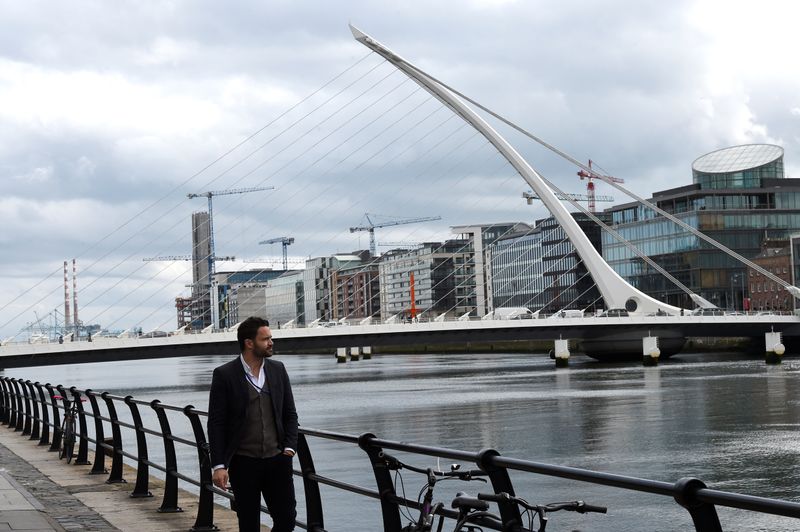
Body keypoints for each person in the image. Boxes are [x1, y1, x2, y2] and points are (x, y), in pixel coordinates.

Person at [207, 316, 298, 531]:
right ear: (249, 343)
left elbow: (290, 414)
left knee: (286, 519)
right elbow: (216, 423)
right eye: (265, 339)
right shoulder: (224, 375)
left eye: (271, 338)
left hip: (277, 460)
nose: (271, 342)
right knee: (248, 523)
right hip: (243, 463)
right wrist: (219, 465)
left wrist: (289, 448)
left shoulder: (278, 369)